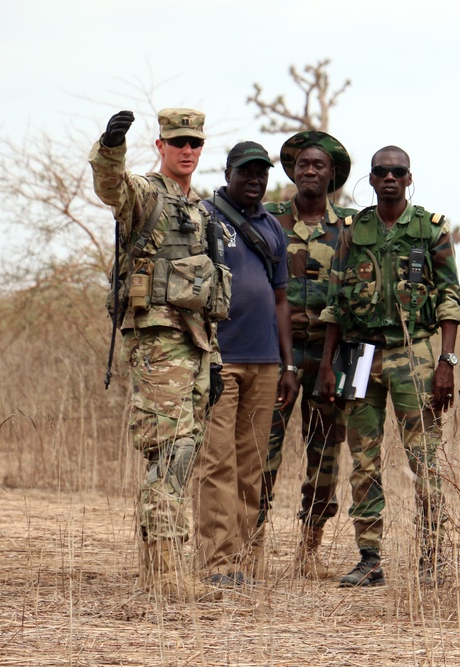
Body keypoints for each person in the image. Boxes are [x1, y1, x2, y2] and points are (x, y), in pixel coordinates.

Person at [90, 108, 229, 601]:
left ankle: (166, 564)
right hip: (157, 337)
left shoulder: (198, 209)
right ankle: (166, 569)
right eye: (178, 142)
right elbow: (112, 189)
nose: (187, 150)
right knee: (166, 449)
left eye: (194, 143)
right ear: (161, 146)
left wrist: (212, 360)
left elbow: (207, 292)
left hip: (194, 341)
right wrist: (110, 148)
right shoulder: (148, 193)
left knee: (184, 450)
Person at [316, 145, 460, 587]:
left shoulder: (429, 229)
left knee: (424, 460)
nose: (389, 179)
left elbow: (449, 297)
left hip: (413, 351)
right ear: (372, 177)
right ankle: (370, 558)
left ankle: (433, 558)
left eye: (397, 172)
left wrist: (446, 361)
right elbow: (335, 302)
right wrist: (327, 364)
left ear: (409, 177)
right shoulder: (351, 229)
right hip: (359, 355)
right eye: (381, 172)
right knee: (362, 460)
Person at [193, 141, 298, 586]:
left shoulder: (273, 227)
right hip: (220, 360)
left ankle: (243, 560)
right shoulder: (203, 217)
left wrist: (288, 365)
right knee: (217, 462)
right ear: (229, 173)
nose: (254, 180)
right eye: (246, 172)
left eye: (261, 173)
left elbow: (280, 300)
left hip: (265, 362)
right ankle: (218, 562)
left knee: (252, 464)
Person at [260, 131, 358, 579]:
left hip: (331, 353)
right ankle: (248, 546)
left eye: (319, 165)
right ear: (292, 172)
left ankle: (310, 550)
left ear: (332, 174)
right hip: (275, 350)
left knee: (324, 454)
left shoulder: (354, 228)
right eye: (302, 165)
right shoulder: (268, 219)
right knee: (262, 450)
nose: (310, 171)